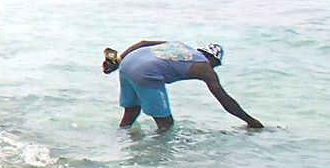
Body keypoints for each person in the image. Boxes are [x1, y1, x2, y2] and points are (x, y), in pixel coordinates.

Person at [102, 40, 261, 131]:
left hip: (127, 63)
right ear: (214, 60)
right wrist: (251, 121)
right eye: (215, 65)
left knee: (132, 111)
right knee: (166, 124)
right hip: (146, 73)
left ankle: (120, 137)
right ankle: (157, 158)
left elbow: (143, 43)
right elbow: (225, 100)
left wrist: (117, 62)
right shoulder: (205, 67)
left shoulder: (179, 45)